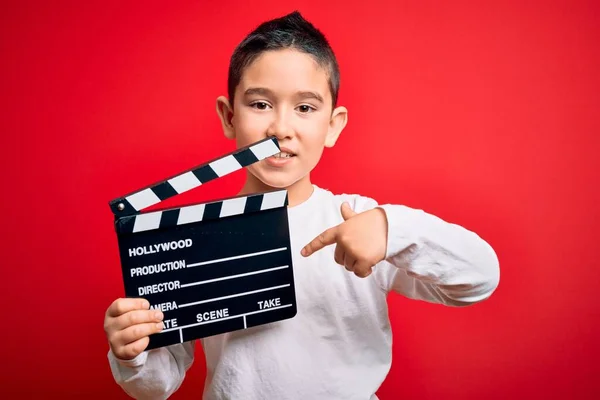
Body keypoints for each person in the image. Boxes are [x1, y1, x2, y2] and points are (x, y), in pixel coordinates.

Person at [104, 10, 500, 400]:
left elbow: (478, 279)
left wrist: (390, 228)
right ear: (228, 117)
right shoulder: (194, 240)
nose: (280, 128)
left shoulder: (358, 220)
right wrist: (134, 352)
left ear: (333, 125)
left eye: (305, 108)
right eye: (260, 104)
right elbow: (156, 387)